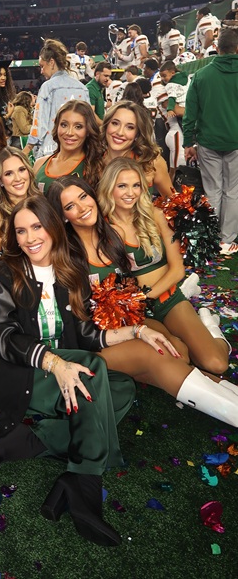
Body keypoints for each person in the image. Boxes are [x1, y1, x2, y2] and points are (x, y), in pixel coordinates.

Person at [0, 194, 141, 546]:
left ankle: (31, 440)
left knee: (123, 388)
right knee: (92, 372)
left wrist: (136, 331)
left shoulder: (71, 268)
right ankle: (85, 484)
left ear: (53, 227)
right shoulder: (7, 270)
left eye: (37, 227)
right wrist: (54, 362)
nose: (29, 238)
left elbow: (85, 335)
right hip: (19, 372)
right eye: (21, 231)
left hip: (63, 369)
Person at [47, 175, 238, 426]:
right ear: (62, 216)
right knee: (159, 353)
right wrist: (134, 332)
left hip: (128, 325)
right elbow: (81, 329)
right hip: (95, 343)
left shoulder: (111, 238)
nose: (82, 207)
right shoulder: (66, 257)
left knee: (180, 353)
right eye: (70, 206)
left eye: (83, 197)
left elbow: (131, 290)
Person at [98, 157, 231, 376]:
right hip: (136, 313)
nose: (130, 193)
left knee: (216, 364)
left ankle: (211, 328)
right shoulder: (101, 226)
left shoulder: (156, 215)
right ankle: (183, 338)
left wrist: (145, 296)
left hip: (166, 299)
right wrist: (134, 303)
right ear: (109, 187)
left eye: (136, 185)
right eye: (122, 186)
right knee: (180, 357)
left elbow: (177, 270)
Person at [183, 28, 238, 255]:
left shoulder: (202, 75)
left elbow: (190, 113)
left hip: (208, 141)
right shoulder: (202, 75)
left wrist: (188, 142)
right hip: (235, 142)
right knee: (233, 191)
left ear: (216, 48)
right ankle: (227, 240)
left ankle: (212, 238)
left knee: (213, 191)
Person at [86, 100, 174, 197]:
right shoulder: (93, 159)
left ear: (137, 133)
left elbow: (173, 201)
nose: (120, 132)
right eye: (115, 123)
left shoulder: (151, 162)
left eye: (130, 127)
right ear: (106, 125)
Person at [26, 39, 90, 159]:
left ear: (51, 62)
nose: (41, 71)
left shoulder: (47, 87)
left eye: (42, 66)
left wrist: (28, 147)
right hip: (78, 152)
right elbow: (88, 123)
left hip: (51, 152)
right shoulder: (82, 88)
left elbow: (40, 123)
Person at [33, 99, 98, 194]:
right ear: (57, 126)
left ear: (88, 130)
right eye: (64, 125)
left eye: (78, 127)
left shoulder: (95, 168)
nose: (69, 132)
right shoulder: (39, 164)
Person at [0, 146, 40, 251]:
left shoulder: (42, 203)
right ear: (0, 181)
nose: (18, 178)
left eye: (21, 170)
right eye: (8, 174)